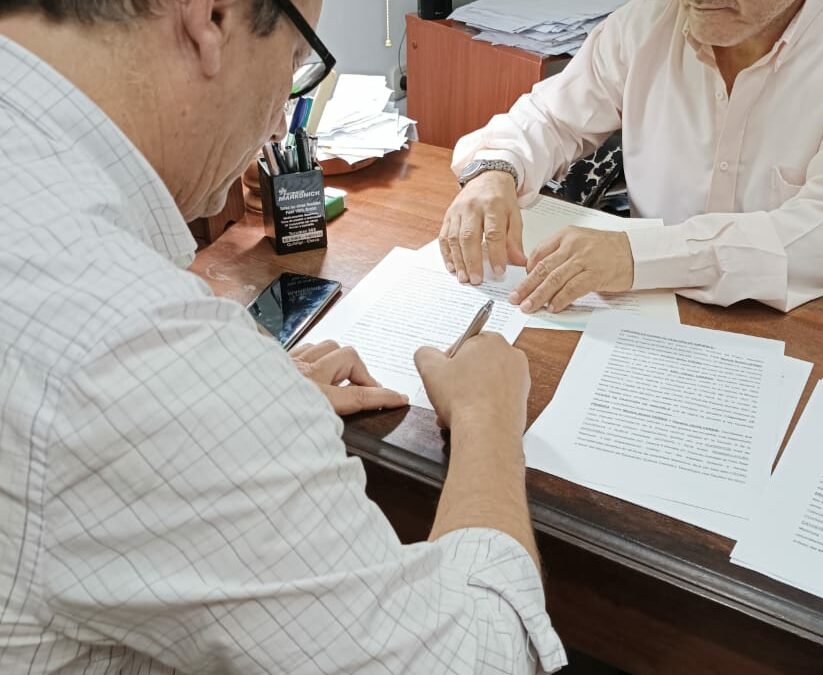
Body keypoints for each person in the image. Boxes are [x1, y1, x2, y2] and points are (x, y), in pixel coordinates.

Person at [0, 0, 566, 672]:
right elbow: (480, 659)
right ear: (210, 15)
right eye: (298, 62)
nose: (279, 123)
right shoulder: (131, 343)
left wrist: (237, 413)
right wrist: (488, 418)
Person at [440, 0, 823, 313]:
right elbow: (551, 117)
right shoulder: (644, 22)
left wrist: (637, 256)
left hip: (817, 311)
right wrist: (495, 168)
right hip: (647, 308)